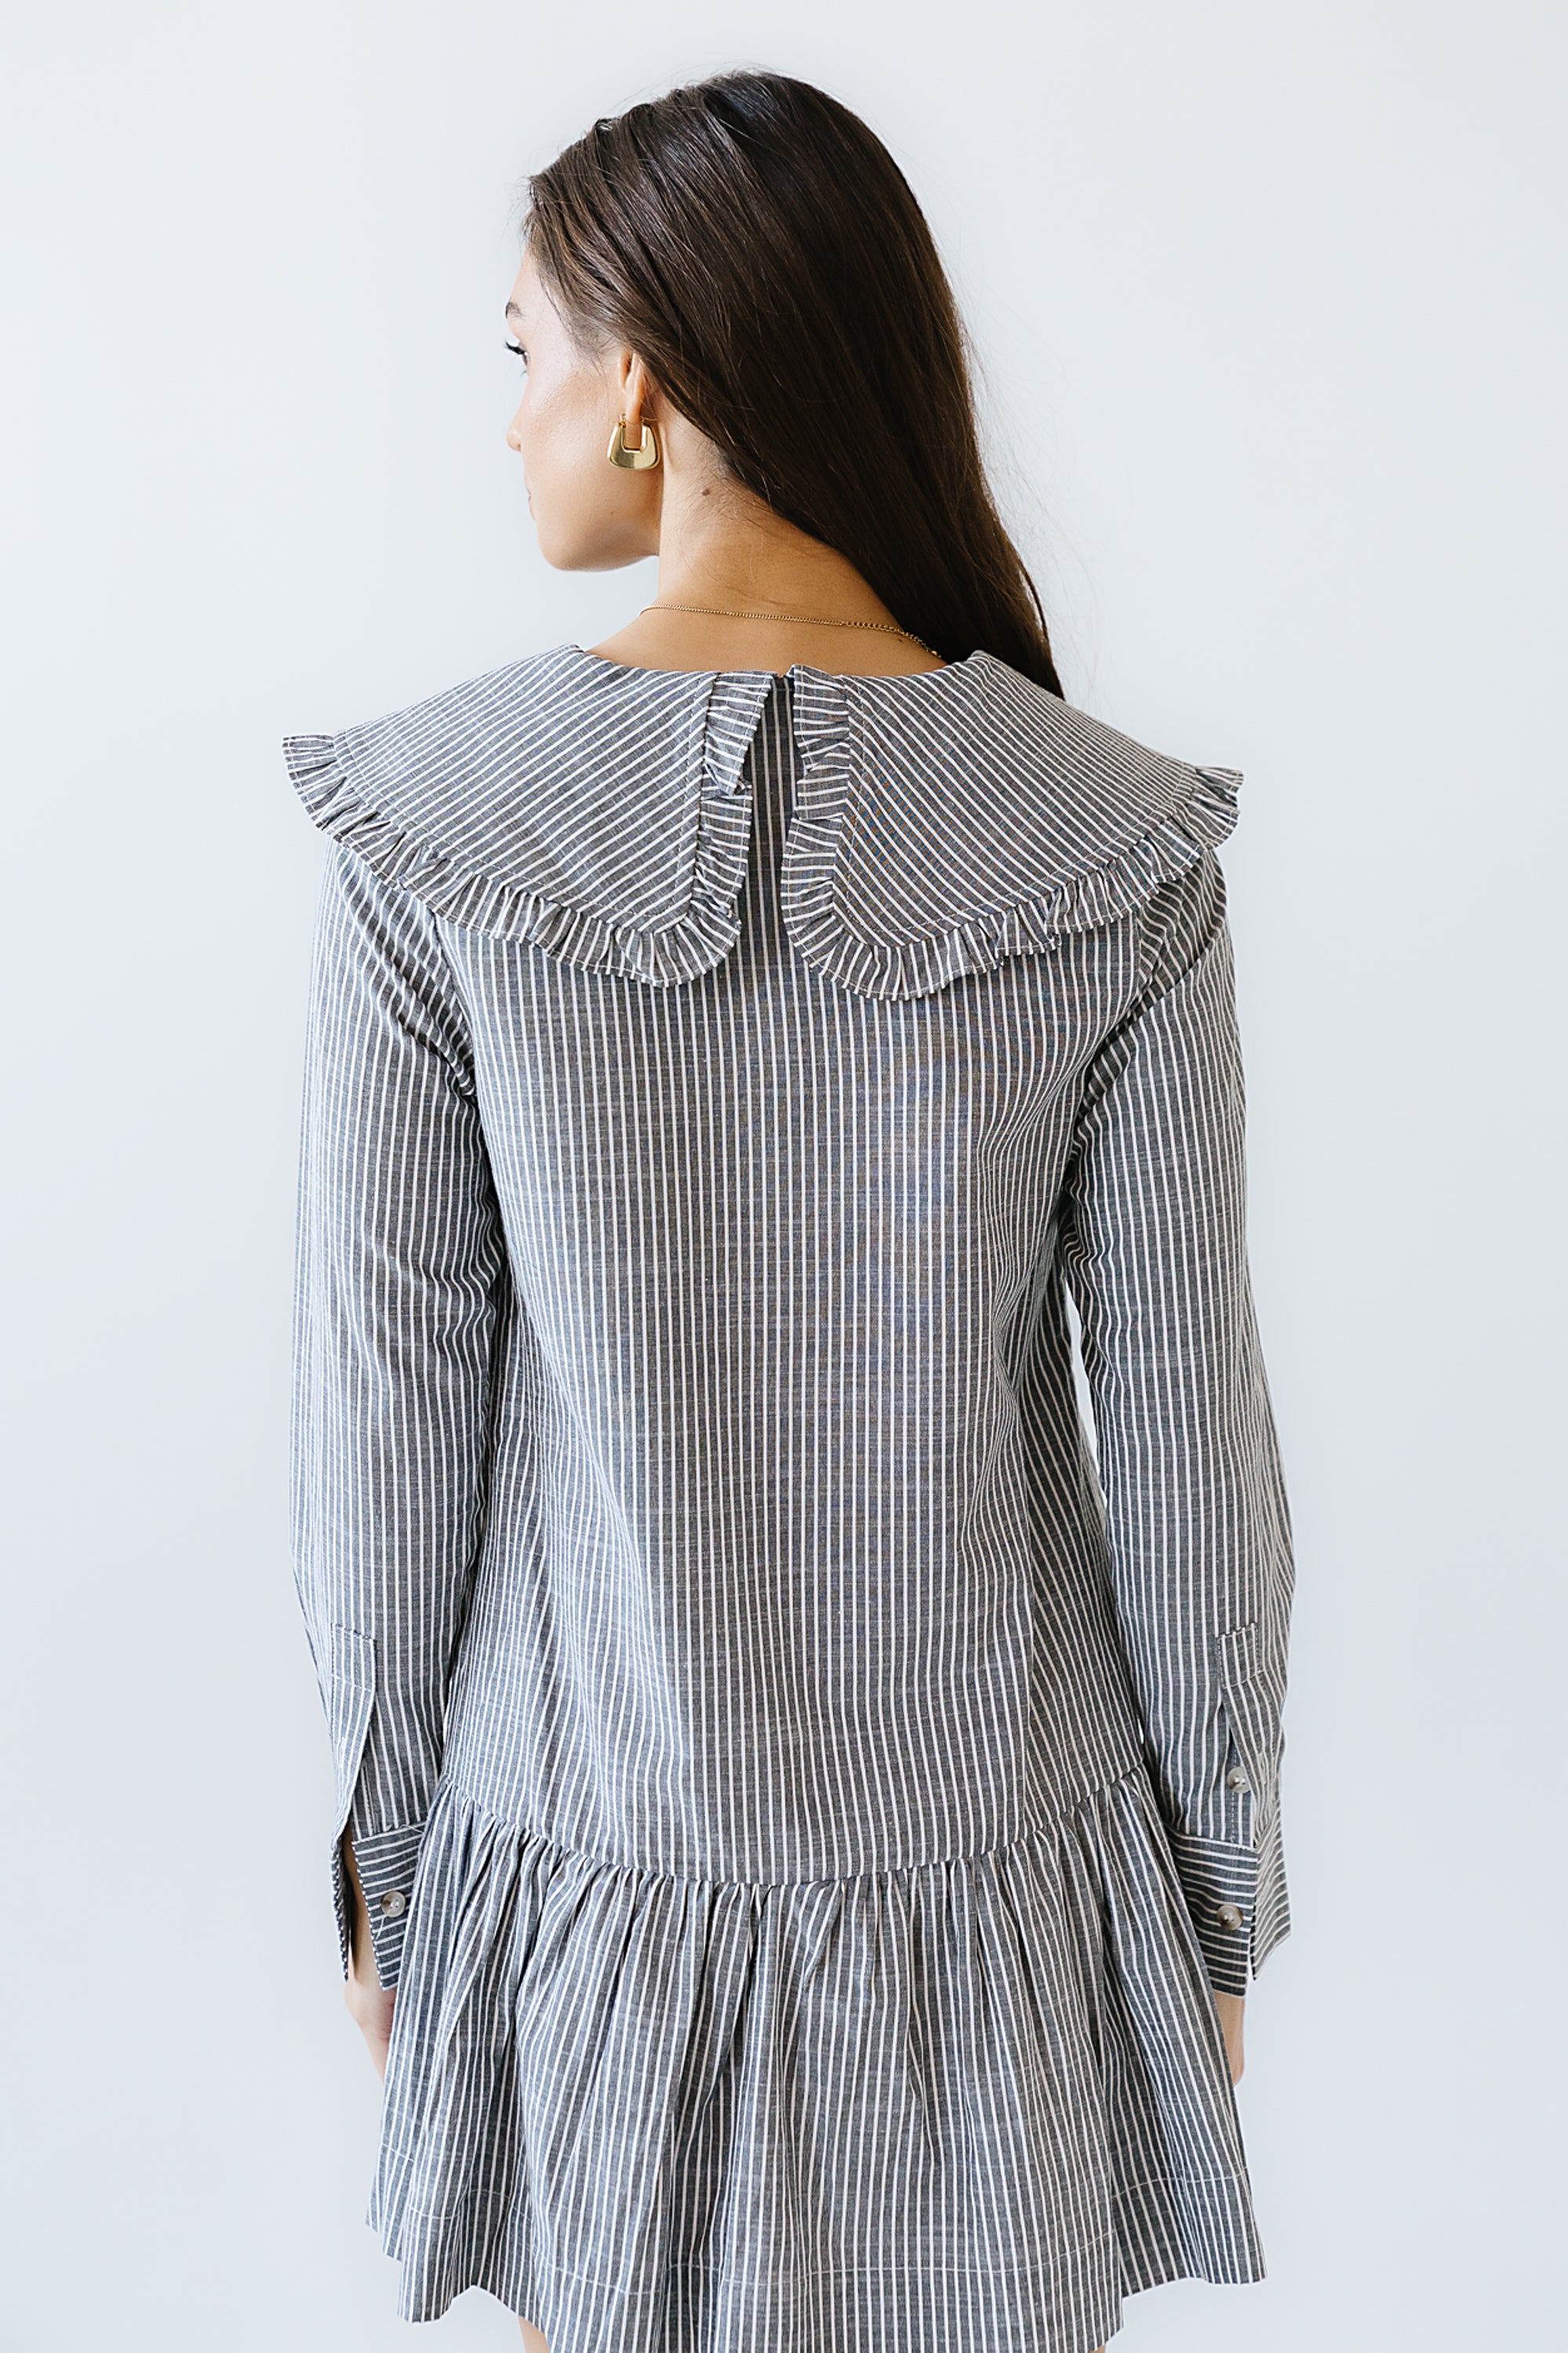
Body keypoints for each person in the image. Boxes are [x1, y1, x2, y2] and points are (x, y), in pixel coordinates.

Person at [283, 66, 1295, 2353]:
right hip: (1007, 1928)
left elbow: (384, 1439)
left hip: (581, 1906)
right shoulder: (1110, 844)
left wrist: (388, 1880)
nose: (510, 414)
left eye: (523, 352)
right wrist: (1217, 1898)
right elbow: (1188, 1453)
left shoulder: (437, 833)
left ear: (642, 386)